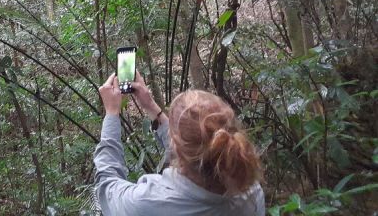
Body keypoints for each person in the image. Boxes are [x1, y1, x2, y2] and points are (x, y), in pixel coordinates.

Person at [95, 72, 264, 216]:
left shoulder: (150, 203)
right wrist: (151, 107)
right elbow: (199, 147)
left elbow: (107, 187)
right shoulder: (250, 191)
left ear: (175, 145)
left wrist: (111, 113)